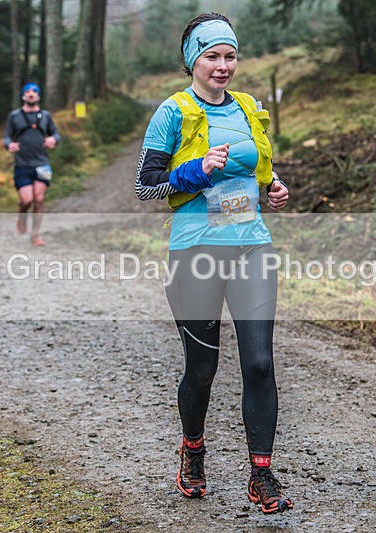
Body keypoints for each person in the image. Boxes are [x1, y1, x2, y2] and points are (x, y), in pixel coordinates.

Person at [134, 12, 293, 514]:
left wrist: (273, 186)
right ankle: (194, 449)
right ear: (192, 61)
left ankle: (261, 475)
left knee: (260, 363)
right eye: (212, 56)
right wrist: (195, 170)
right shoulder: (172, 112)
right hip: (195, 253)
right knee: (202, 369)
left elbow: (258, 167)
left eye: (230, 56)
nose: (223, 66)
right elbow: (146, 185)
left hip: (251, 245)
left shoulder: (247, 107)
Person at [4, 82, 60, 246]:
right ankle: (22, 214)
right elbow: (7, 137)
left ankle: (35, 235)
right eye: (27, 91)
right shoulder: (14, 116)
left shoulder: (46, 116)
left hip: (42, 163)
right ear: (23, 96)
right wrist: (9, 145)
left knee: (39, 199)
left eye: (34, 91)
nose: (31, 94)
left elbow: (56, 134)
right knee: (27, 200)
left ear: (38, 96)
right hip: (22, 164)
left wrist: (53, 139)